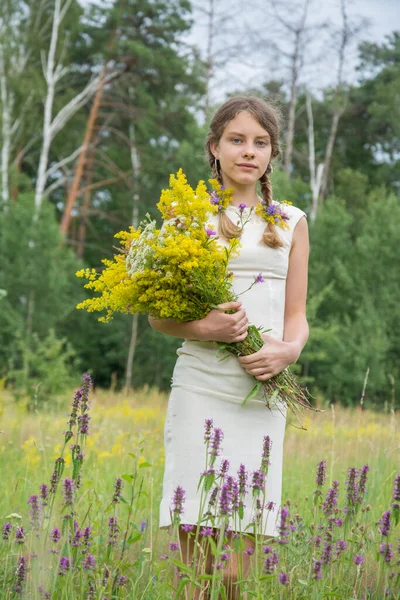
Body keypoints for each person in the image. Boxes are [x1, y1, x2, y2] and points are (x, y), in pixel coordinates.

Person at [149, 95, 309, 599]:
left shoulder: (291, 223)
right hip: (200, 388)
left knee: (237, 570)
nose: (248, 151)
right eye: (236, 140)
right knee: (194, 558)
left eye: (260, 143)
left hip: (262, 395)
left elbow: (296, 316)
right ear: (214, 147)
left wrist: (289, 352)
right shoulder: (184, 218)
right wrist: (207, 329)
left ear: (272, 153)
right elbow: (159, 318)